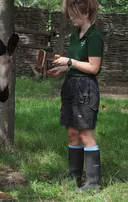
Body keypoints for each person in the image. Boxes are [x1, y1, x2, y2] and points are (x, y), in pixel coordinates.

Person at [48, 0, 103, 192]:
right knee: (72, 133)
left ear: (85, 13)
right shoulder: (74, 35)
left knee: (85, 133)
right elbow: (77, 65)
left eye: (72, 13)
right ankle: (74, 177)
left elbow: (93, 68)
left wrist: (69, 60)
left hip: (85, 89)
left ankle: (94, 182)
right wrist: (63, 68)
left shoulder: (94, 36)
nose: (70, 17)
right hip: (70, 86)